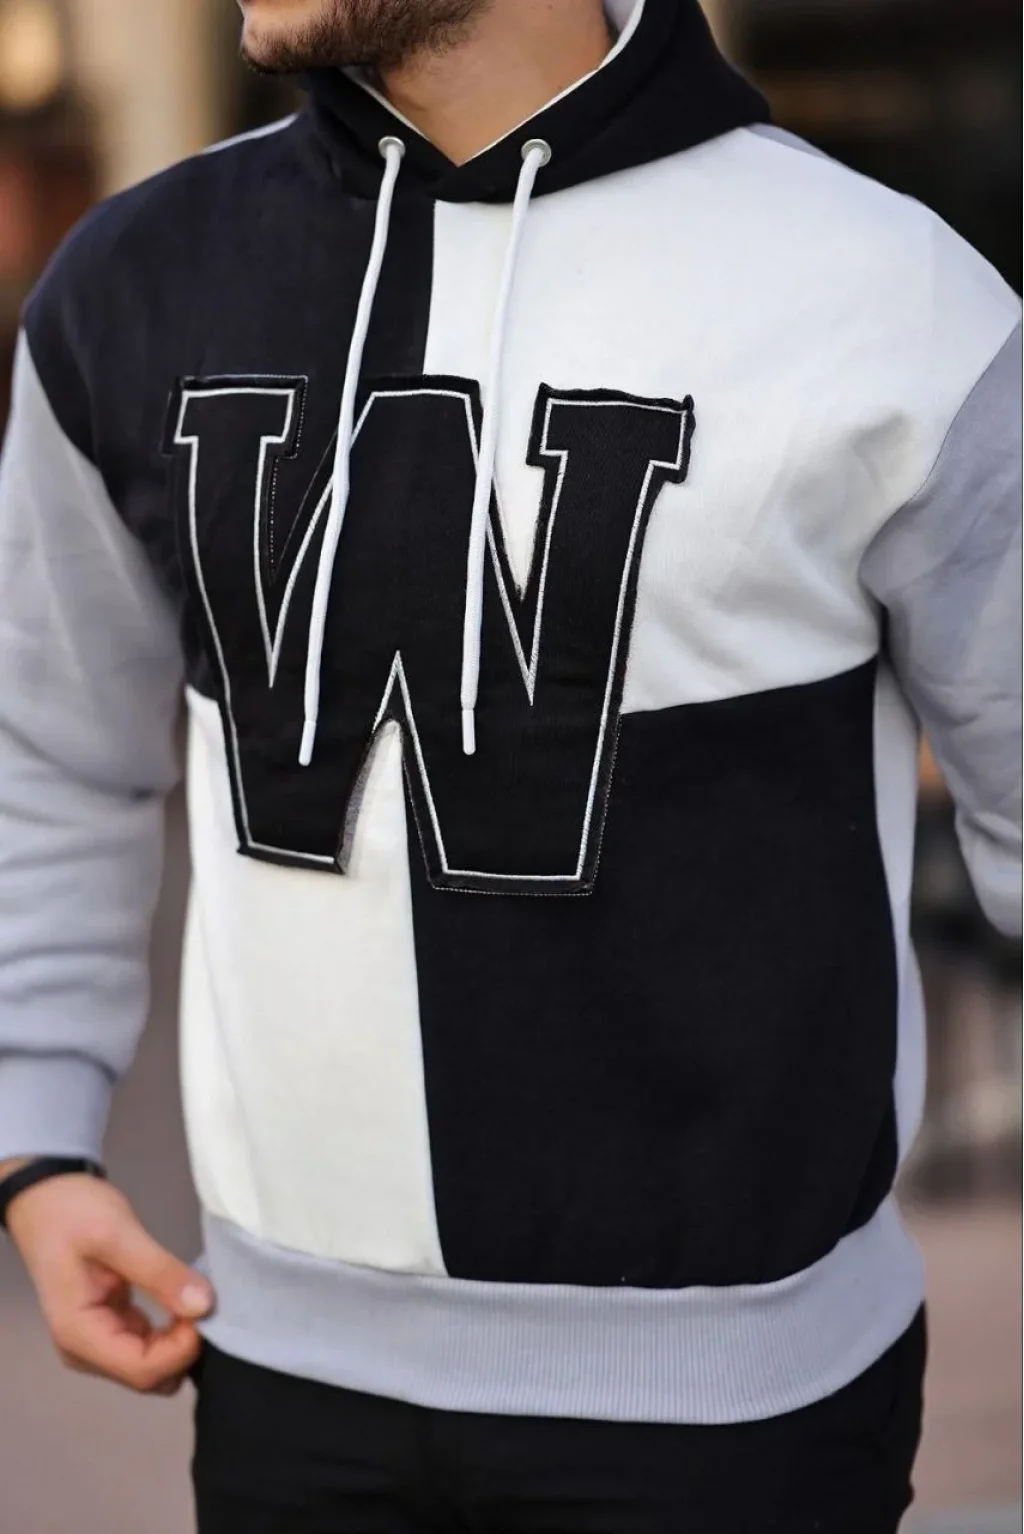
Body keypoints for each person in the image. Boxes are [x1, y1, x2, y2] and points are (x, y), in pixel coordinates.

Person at [0, 0, 1020, 1529]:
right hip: (281, 1384)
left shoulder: (892, 299)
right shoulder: (131, 285)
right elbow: (49, 747)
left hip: (739, 1417)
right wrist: (34, 1141)